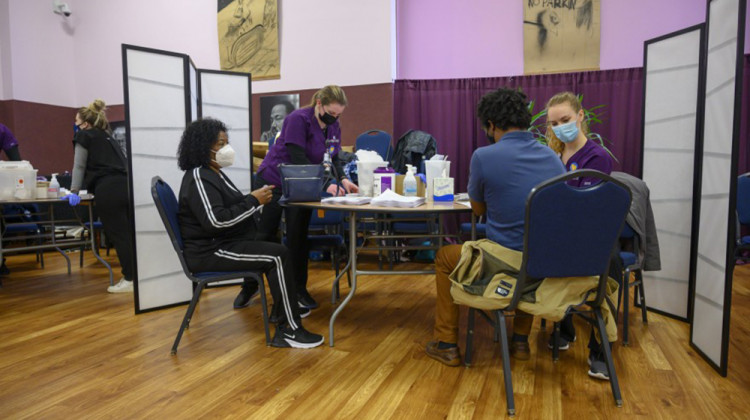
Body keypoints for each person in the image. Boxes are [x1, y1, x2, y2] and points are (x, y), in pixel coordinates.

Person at [424, 88, 565, 366]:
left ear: (491, 124)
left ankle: (446, 344)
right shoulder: (552, 157)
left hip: (500, 261)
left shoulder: (483, 156)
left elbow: (478, 211)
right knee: (530, 254)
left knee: (444, 257)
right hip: (543, 262)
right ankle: (521, 342)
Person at [177, 118, 323, 348]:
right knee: (277, 256)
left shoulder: (213, 173)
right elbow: (216, 222)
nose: (226, 149)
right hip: (209, 252)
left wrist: (254, 200)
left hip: (222, 244)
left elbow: (228, 210)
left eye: (227, 142)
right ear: (201, 146)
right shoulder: (198, 177)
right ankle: (289, 329)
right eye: (220, 144)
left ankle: (282, 312)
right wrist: (253, 201)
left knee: (276, 248)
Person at [254, 85, 358, 311]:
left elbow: (335, 157)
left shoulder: (333, 126)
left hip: (302, 185)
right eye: (331, 113)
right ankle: (249, 285)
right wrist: (326, 184)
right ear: (319, 103)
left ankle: (298, 289)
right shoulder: (298, 119)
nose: (335, 118)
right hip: (274, 179)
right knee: (265, 234)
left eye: (339, 115)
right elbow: (298, 158)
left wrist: (343, 180)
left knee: (297, 237)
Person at [543, 91, 615, 377]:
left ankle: (599, 349)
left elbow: (589, 208)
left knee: (608, 271)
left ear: (581, 116)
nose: (561, 127)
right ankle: (566, 329)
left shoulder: (597, 157)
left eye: (566, 119)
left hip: (589, 236)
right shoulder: (553, 156)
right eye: (554, 123)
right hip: (559, 233)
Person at [69, 100, 135, 293]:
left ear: (86, 124)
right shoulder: (108, 137)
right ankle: (139, 277)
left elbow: (79, 165)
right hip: (126, 186)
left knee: (119, 235)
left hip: (107, 189)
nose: (75, 125)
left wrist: (73, 191)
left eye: (76, 121)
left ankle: (130, 279)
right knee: (129, 234)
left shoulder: (84, 135)